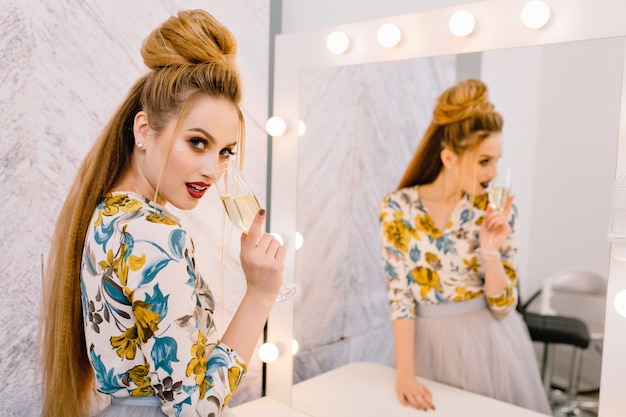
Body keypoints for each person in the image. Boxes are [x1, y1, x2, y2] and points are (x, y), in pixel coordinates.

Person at [39, 10, 285, 417]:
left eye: (225, 152)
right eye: (197, 142)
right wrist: (260, 295)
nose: (213, 170)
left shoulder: (108, 213)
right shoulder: (153, 232)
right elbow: (191, 409)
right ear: (142, 130)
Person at [379, 79, 551, 414]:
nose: (494, 172)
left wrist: (490, 249)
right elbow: (400, 297)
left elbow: (503, 306)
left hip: (489, 345)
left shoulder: (497, 211)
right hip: (424, 347)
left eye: (497, 160)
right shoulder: (397, 207)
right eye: (485, 161)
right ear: (449, 157)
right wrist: (405, 375)